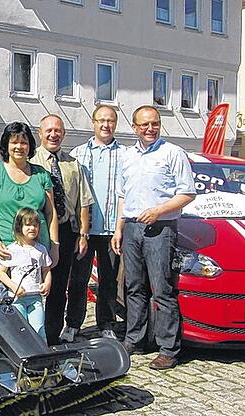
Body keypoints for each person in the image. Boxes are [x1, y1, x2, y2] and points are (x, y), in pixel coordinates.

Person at [111, 105, 196, 370]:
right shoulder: (127, 156)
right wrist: (119, 227)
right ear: (135, 127)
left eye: (155, 124)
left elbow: (188, 193)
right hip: (133, 228)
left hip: (161, 229)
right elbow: (122, 195)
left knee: (162, 290)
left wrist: (159, 211)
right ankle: (134, 339)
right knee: (133, 287)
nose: (150, 129)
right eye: (144, 125)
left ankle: (169, 348)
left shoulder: (172, 153)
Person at [30, 114, 93, 346]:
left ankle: (52, 333)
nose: (53, 134)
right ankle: (29, 333)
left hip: (66, 231)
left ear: (63, 134)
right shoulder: (30, 161)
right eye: (49, 130)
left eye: (58, 130)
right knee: (32, 283)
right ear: (40, 132)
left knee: (58, 285)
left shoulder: (73, 164)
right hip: (36, 232)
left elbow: (84, 203)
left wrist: (83, 234)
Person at [68, 105, 126, 340]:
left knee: (108, 281)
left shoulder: (125, 154)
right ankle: (72, 324)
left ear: (116, 124)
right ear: (93, 122)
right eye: (101, 120)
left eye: (110, 120)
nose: (106, 125)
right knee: (78, 279)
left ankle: (106, 324)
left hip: (112, 229)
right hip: (84, 230)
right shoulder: (78, 154)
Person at [0, 122, 58, 290]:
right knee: (5, 301)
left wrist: (54, 245)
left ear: (30, 146)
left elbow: (51, 213)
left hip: (37, 248)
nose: (19, 147)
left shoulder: (42, 174)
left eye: (24, 142)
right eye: (14, 142)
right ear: (6, 145)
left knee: (35, 298)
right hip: (6, 249)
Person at [0, 207, 52, 341]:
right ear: (19, 227)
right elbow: (2, 273)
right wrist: (14, 286)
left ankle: (41, 353)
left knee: (38, 328)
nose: (32, 228)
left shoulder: (41, 249)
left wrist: (47, 283)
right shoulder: (11, 250)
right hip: (17, 298)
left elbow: (46, 270)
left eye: (35, 225)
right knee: (19, 329)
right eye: (28, 225)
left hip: (35, 297)